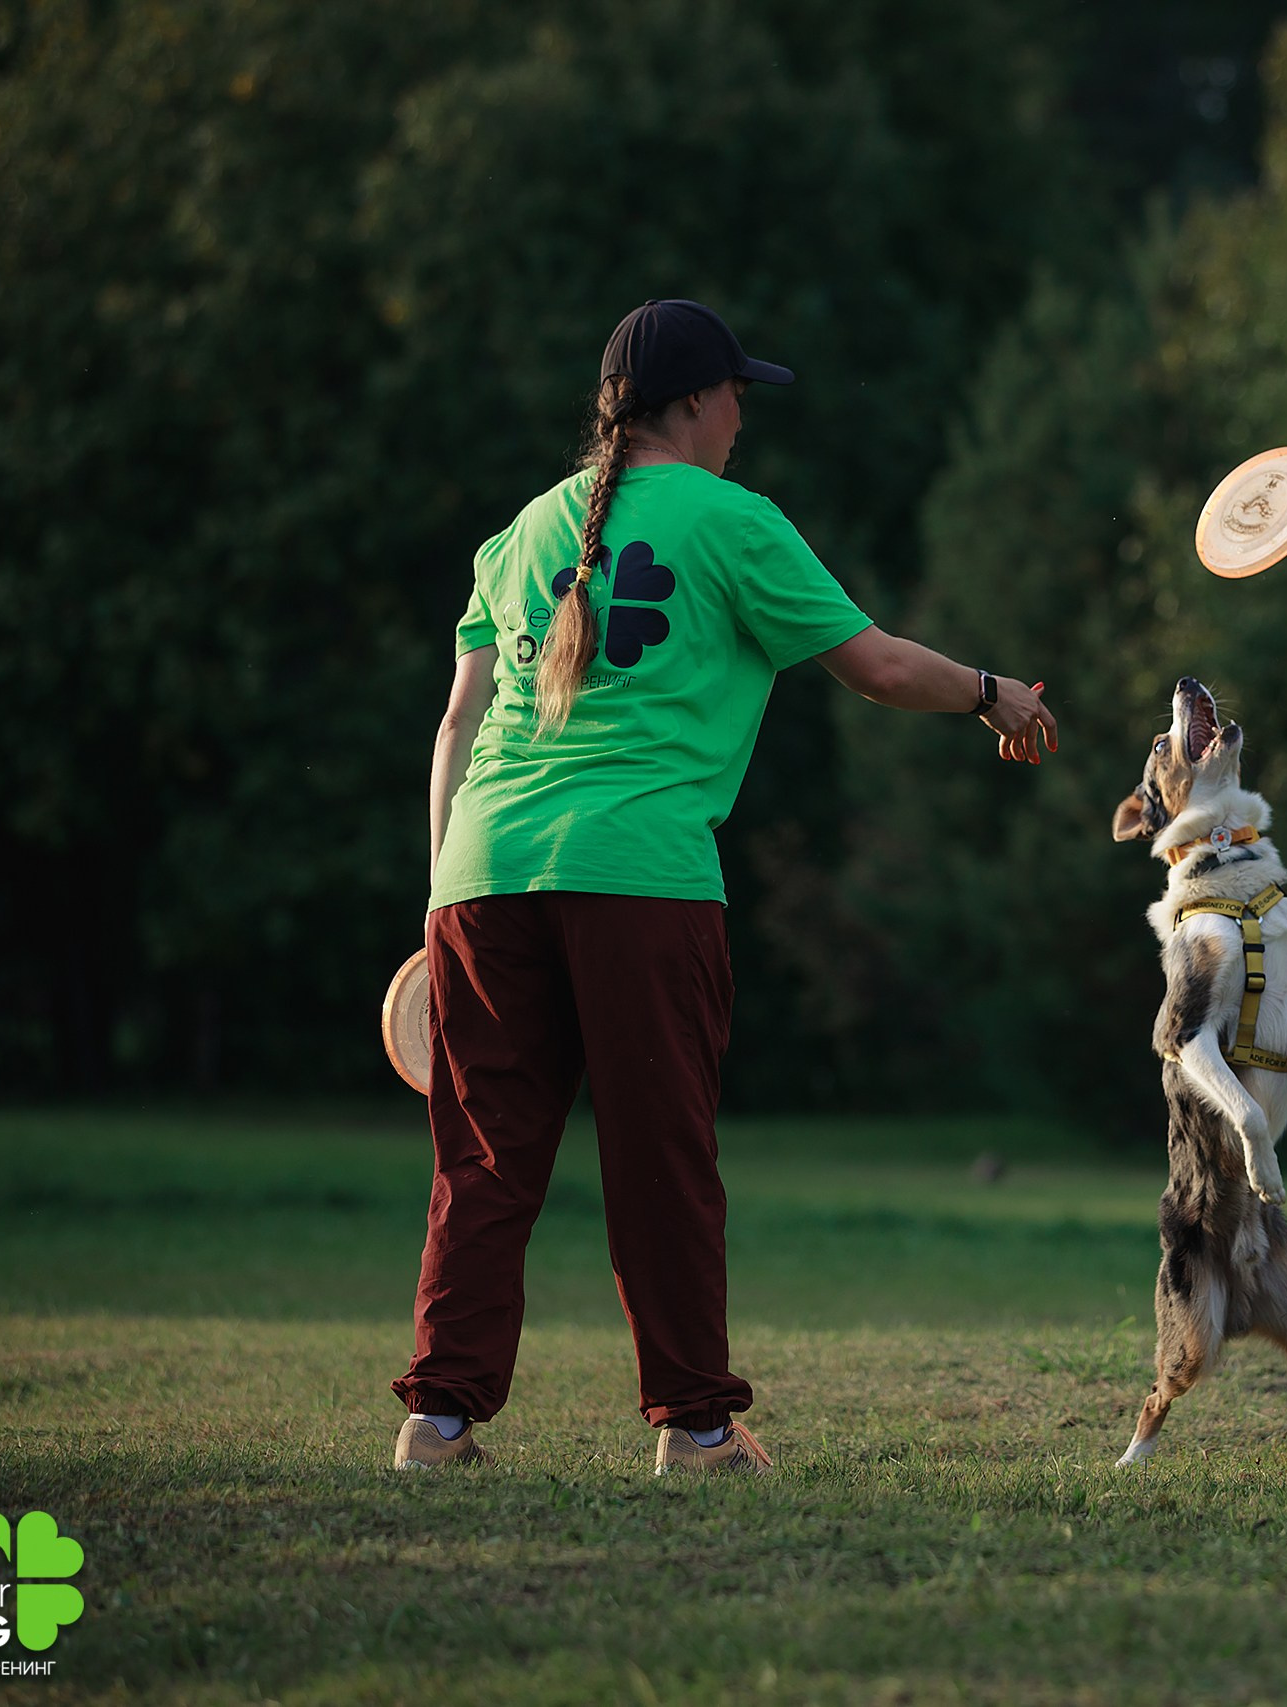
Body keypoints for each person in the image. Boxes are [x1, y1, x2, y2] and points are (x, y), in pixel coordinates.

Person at [391, 299, 1057, 1475]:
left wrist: (442, 907)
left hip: (482, 877)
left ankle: (437, 1424)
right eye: (739, 393)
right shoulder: (733, 521)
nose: (744, 416)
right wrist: (991, 692)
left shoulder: (521, 531)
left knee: (484, 1163)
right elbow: (876, 666)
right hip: (640, 879)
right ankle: (696, 1431)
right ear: (696, 401)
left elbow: (456, 723)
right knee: (661, 1163)